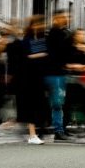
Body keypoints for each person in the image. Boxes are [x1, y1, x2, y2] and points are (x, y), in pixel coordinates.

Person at [19, 15, 49, 145]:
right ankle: (32, 135)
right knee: (32, 105)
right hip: (29, 78)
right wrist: (42, 55)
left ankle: (34, 133)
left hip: (39, 78)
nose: (41, 26)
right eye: (38, 24)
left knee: (39, 106)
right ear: (33, 26)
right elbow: (25, 57)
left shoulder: (41, 40)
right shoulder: (27, 40)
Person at [46, 9, 72, 141]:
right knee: (57, 103)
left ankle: (60, 128)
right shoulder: (54, 34)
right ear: (56, 19)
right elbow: (58, 53)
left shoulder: (63, 33)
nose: (66, 19)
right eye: (63, 17)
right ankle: (58, 129)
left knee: (59, 102)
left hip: (59, 73)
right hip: (54, 72)